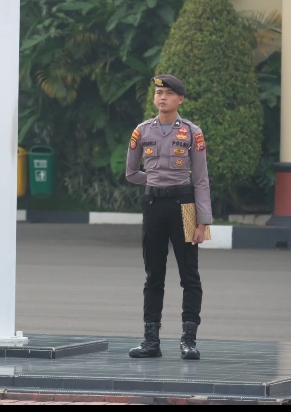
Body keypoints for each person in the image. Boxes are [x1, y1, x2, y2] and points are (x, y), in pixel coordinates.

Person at [125, 75, 212, 361]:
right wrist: (156, 178)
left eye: (169, 93)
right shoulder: (141, 130)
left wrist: (203, 221)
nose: (162, 97)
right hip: (153, 204)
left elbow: (200, 179)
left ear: (180, 99)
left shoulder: (192, 132)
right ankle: (151, 340)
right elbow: (131, 172)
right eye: (159, 92)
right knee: (154, 274)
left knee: (190, 274)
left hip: (185, 204)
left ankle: (189, 341)